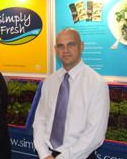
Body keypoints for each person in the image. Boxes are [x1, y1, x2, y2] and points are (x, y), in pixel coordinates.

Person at [33, 28, 110, 159]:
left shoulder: (96, 84)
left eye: (71, 44)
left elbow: (94, 135)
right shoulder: (49, 82)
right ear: (55, 49)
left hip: (80, 156)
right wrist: (44, 153)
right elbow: (40, 121)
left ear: (82, 46)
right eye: (60, 46)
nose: (65, 50)